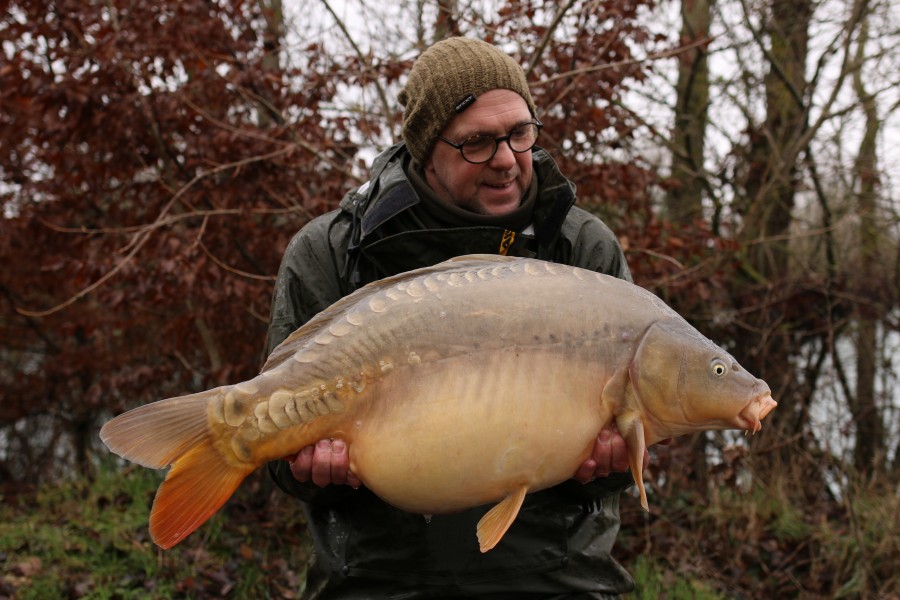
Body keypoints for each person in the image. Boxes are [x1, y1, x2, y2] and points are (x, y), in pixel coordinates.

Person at [266, 36, 647, 599]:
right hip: (378, 579)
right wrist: (309, 469)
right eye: (476, 143)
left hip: (554, 577)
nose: (506, 159)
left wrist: (614, 462)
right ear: (425, 150)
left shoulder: (581, 248)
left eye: (520, 133)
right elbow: (277, 457)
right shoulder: (331, 253)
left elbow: (627, 444)